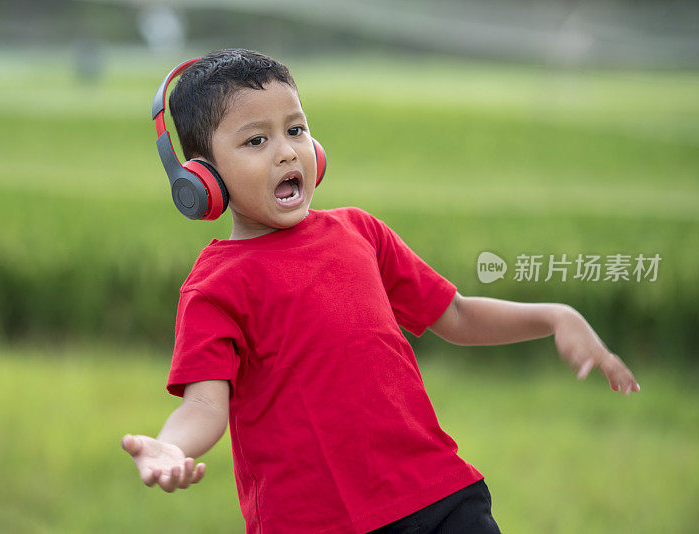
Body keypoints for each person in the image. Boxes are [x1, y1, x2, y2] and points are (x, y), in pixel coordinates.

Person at [121, 48, 640, 534]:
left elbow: (454, 314)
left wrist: (553, 315)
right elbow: (205, 406)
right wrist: (169, 446)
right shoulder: (214, 287)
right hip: (313, 520)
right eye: (256, 140)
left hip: (438, 496)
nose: (287, 153)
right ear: (201, 178)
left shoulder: (360, 232)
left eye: (296, 129)